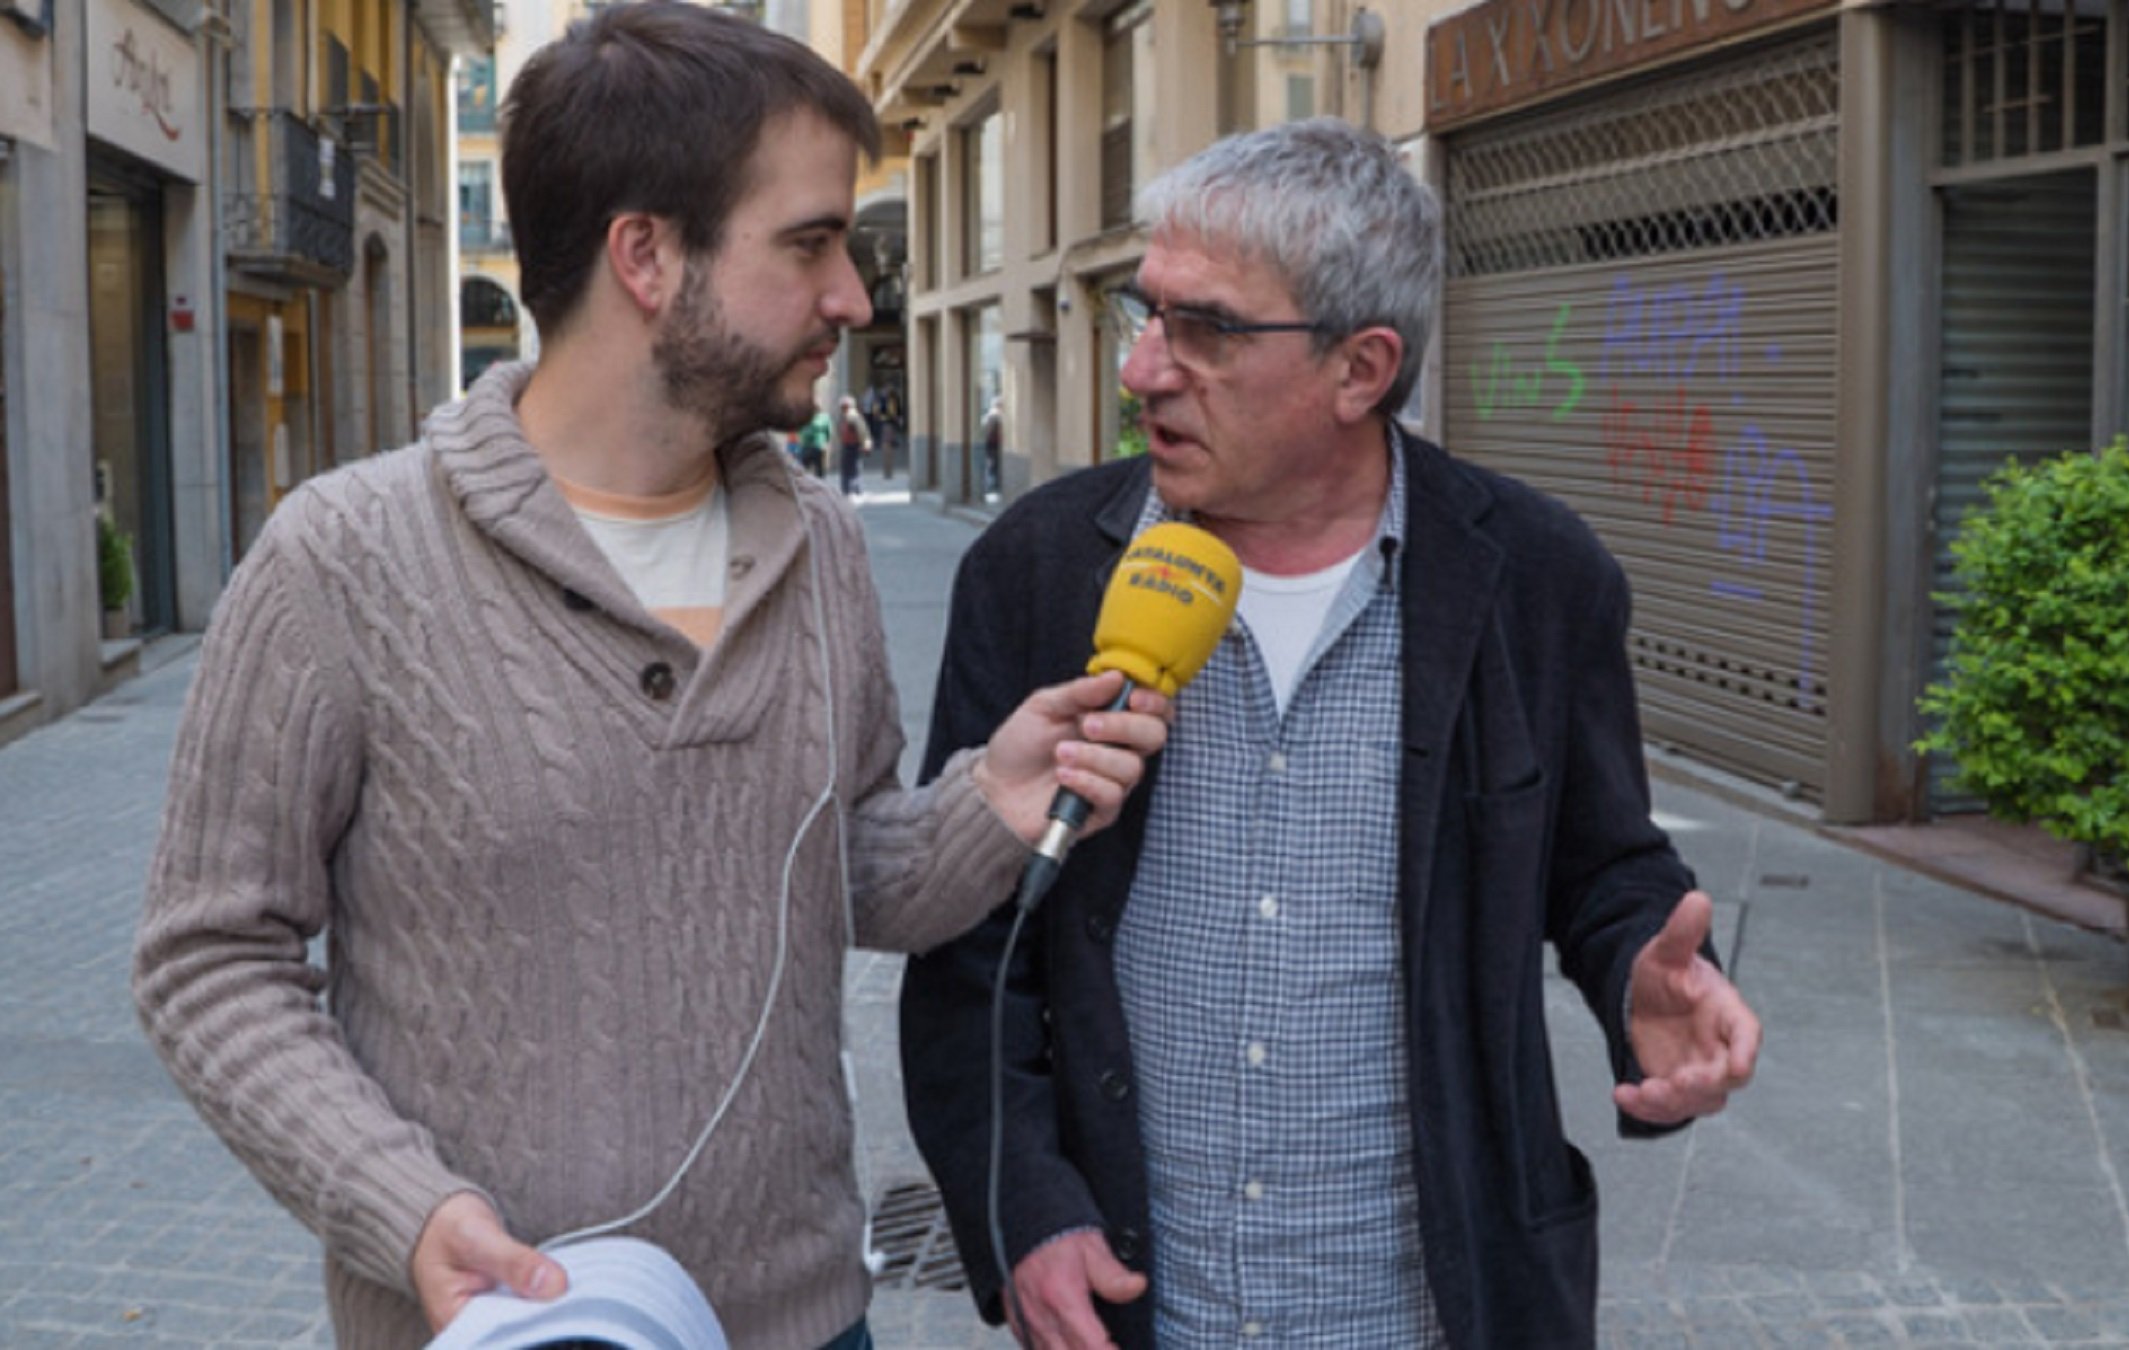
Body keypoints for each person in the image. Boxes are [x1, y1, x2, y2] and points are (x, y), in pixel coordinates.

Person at [131, 7, 1170, 1349]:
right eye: (808, 243)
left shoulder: (824, 546)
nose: (854, 294)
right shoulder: (342, 560)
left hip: (810, 1325)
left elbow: (842, 870)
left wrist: (991, 801)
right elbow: (206, 957)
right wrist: (397, 1204)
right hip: (503, 1330)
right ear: (646, 254)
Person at [899, 118, 1761, 1350]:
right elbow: (969, 943)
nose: (1143, 369)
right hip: (1140, 1307)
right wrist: (1025, 1208)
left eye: (1202, 330)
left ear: (1360, 370)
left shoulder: (1536, 577)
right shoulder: (1035, 571)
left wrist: (1647, 977)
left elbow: (1603, 865)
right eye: (1142, 317)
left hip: (1430, 1307)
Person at [835, 393, 869, 498]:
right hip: (846, 445)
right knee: (847, 468)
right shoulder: (843, 418)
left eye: (845, 406)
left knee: (855, 467)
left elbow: (863, 432)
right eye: (842, 407)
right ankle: (846, 489)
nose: (843, 409)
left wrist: (865, 445)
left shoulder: (854, 417)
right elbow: (839, 431)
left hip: (855, 445)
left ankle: (856, 488)